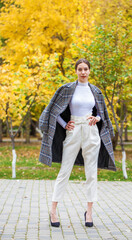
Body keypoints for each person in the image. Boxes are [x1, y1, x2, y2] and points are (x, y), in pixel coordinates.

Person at [39, 58, 116, 228]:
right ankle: (53, 211)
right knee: (64, 171)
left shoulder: (95, 91)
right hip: (73, 131)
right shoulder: (67, 89)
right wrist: (64, 124)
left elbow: (102, 113)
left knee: (91, 173)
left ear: (89, 71)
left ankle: (89, 212)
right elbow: (53, 111)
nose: (83, 72)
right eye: (80, 69)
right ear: (76, 71)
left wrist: (96, 118)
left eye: (85, 69)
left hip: (91, 132)